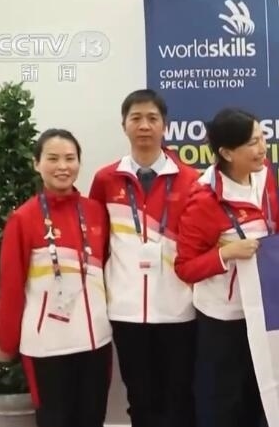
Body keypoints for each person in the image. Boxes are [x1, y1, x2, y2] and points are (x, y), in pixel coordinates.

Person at [87, 89, 200, 427]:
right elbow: (97, 243)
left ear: (165, 125)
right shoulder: (106, 180)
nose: (144, 126)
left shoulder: (192, 180)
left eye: (152, 118)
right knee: (140, 398)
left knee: (179, 398)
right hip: (127, 311)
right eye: (136, 118)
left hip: (179, 309)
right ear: (124, 125)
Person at [0, 129, 112, 427]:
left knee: (93, 418)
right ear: (36, 163)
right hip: (47, 345)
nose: (62, 166)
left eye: (70, 158)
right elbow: (11, 286)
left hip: (95, 341)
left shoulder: (96, 212)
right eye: (53, 158)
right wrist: (6, 342)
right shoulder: (23, 218)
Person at [175, 107, 277, 427]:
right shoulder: (204, 199)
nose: (262, 148)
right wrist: (226, 253)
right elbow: (185, 267)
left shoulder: (264, 174)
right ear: (227, 153)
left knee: (261, 398)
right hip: (223, 319)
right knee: (223, 402)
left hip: (260, 311)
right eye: (252, 143)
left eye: (262, 138)